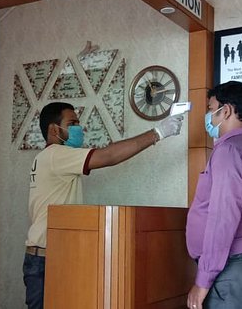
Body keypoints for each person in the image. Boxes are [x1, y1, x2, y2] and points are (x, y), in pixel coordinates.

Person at [24, 102, 184, 309]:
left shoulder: (48, 157)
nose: (79, 128)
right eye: (72, 123)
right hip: (47, 260)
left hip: (48, 255)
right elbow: (108, 156)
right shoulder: (56, 154)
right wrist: (158, 132)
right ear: (54, 129)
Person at [186, 81, 242, 309]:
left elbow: (222, 219)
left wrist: (203, 281)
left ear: (226, 111)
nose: (207, 115)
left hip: (231, 270)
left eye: (210, 108)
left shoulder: (229, 150)